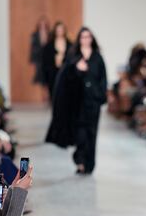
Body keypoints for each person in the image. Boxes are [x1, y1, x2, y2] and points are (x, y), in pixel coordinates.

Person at [46, 27, 107, 175]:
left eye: (88, 37)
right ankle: (80, 161)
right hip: (77, 102)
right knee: (80, 134)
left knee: (92, 134)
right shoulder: (74, 56)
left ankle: (89, 164)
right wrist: (76, 68)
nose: (86, 40)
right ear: (79, 39)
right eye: (83, 37)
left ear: (92, 39)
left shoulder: (97, 57)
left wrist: (100, 96)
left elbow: (103, 79)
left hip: (93, 102)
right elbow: (65, 78)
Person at [42, 21, 71, 99]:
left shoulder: (70, 45)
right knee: (54, 95)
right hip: (53, 74)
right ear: (55, 31)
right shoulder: (49, 46)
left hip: (66, 73)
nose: (60, 32)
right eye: (58, 30)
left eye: (61, 29)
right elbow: (45, 62)